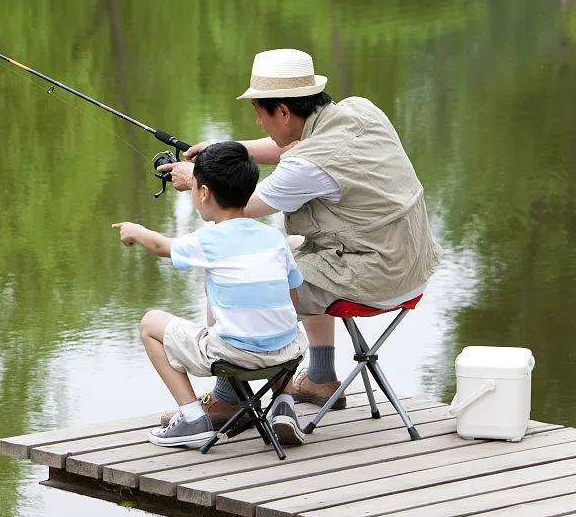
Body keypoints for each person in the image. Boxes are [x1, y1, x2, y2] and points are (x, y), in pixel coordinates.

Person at [157, 49, 443, 416]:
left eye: (259, 114)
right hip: (414, 265)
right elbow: (289, 147)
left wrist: (199, 178)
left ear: (283, 112)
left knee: (234, 262)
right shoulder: (358, 111)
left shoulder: (308, 165)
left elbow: (234, 206)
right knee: (292, 249)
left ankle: (227, 398)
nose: (258, 124)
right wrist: (225, 151)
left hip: (377, 278)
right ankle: (321, 378)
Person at [113, 141, 308, 447]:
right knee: (284, 324)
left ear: (203, 193)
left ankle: (192, 418)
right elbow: (294, 301)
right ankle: (284, 404)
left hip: (237, 357)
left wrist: (134, 230)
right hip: (286, 355)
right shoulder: (273, 238)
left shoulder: (209, 240)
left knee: (151, 324)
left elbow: (160, 246)